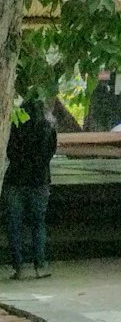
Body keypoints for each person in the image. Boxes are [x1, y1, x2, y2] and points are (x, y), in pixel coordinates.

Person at [2, 100, 58, 281]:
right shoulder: (48, 129)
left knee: (14, 225)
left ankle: (19, 267)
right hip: (39, 180)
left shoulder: (15, 127)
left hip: (15, 179)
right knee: (38, 223)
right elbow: (50, 153)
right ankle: (40, 265)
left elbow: (9, 152)